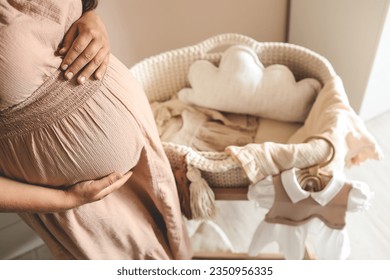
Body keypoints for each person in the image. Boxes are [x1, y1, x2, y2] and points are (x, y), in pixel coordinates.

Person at [0, 0, 192, 260]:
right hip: (67, 187)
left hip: (140, 147)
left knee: (168, 239)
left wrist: (90, 15)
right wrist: (67, 200)